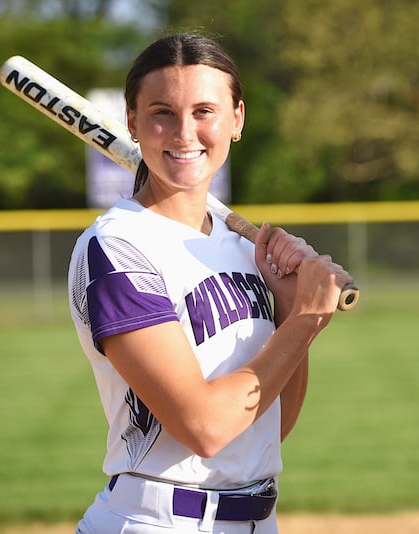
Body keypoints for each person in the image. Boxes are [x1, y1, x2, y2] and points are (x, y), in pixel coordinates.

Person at [68, 33, 353, 533]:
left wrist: (288, 308)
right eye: (162, 112)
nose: (184, 133)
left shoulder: (246, 250)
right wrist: (306, 320)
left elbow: (270, 424)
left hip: (257, 518)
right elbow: (205, 427)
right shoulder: (116, 247)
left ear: (236, 120)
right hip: (157, 520)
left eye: (205, 111)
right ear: (132, 122)